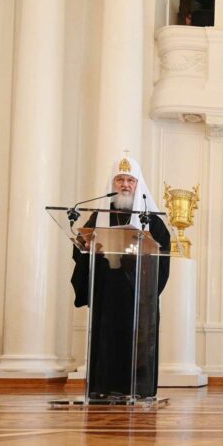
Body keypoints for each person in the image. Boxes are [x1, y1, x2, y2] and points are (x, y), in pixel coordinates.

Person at [70, 156, 171, 400]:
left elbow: (162, 256)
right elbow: (82, 250)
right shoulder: (99, 217)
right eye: (120, 180)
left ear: (138, 185)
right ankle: (103, 388)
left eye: (130, 180)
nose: (125, 185)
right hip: (106, 291)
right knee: (106, 339)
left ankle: (137, 389)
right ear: (113, 184)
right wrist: (83, 245)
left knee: (135, 342)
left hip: (137, 293)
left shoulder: (151, 220)